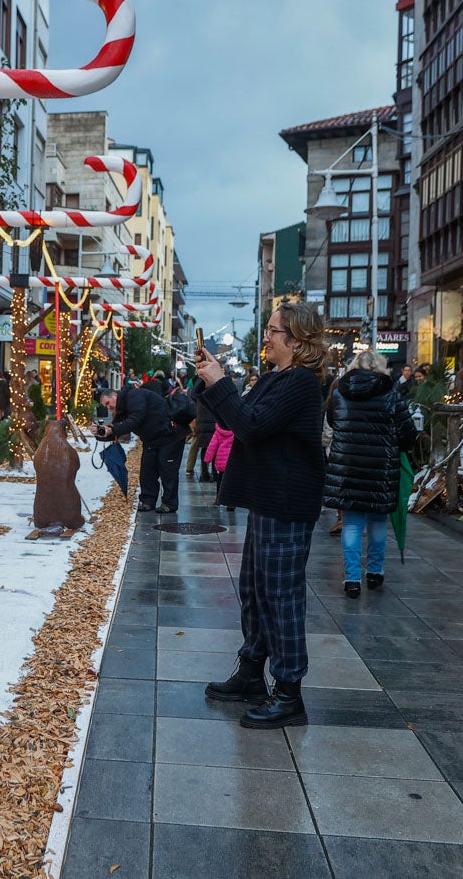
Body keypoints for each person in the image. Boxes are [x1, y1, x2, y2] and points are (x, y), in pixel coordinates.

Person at [196, 302, 328, 729]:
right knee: (255, 590)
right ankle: (252, 672)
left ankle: (289, 693)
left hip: (286, 502)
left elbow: (251, 425)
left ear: (297, 339)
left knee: (281, 597)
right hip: (268, 499)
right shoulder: (276, 378)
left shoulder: (302, 384)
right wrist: (213, 382)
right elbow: (238, 419)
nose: (266, 338)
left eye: (273, 331)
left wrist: (223, 384)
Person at [324, 350, 418, 598]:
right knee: (377, 521)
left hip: (347, 467)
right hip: (381, 467)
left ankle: (352, 578)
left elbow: (333, 422)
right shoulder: (391, 395)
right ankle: (375, 572)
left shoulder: (339, 394)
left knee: (352, 523)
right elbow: (408, 432)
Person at [95, 381, 183, 513]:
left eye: (108, 403)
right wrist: (99, 433)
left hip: (169, 436)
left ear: (115, 396)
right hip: (151, 440)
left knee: (168, 471)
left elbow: (136, 419)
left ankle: (169, 503)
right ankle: (148, 501)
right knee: (147, 472)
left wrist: (112, 430)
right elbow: (116, 429)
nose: (108, 408)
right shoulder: (123, 408)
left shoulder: (134, 396)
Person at [186, 379, 217, 480]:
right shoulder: (214, 391)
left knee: (204, 448)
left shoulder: (198, 392)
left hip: (201, 423)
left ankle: (204, 473)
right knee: (214, 449)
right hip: (213, 422)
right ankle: (213, 472)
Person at [205, 422, 233, 507]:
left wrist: (208, 459)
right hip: (232, 460)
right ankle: (231, 503)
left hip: (221, 460)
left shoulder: (218, 431)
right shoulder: (235, 431)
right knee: (231, 482)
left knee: (220, 481)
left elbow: (212, 445)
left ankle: (218, 499)